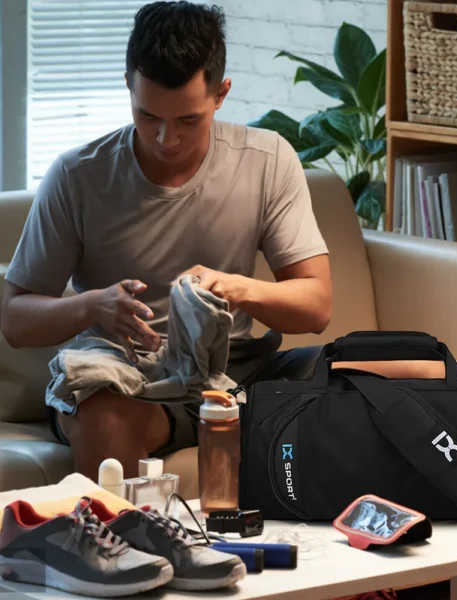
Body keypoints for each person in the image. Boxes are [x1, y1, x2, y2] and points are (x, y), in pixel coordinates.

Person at [0, 1, 332, 480]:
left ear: (221, 94)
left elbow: (315, 305)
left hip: (236, 372)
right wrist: (92, 307)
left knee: (394, 370)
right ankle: (128, 549)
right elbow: (14, 320)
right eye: (147, 115)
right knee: (103, 416)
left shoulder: (267, 158)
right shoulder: (78, 176)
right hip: (123, 380)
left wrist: (230, 287)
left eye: (187, 121)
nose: (165, 139)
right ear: (128, 84)